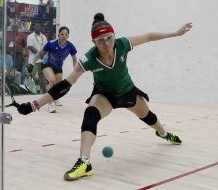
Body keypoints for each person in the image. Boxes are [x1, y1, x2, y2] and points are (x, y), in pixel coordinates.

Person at [16, 13, 192, 180]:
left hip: (128, 92)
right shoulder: (89, 59)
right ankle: (85, 163)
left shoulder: (122, 44)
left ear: (114, 35)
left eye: (109, 38)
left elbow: (148, 36)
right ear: (94, 41)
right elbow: (64, 85)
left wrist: (175, 33)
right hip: (104, 95)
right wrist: (34, 105)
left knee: (149, 117)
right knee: (90, 114)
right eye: (101, 40)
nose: (107, 43)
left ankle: (163, 133)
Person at [33, 26, 77, 113]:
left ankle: (55, 98)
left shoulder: (70, 46)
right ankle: (50, 104)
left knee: (58, 85)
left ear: (68, 36)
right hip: (47, 64)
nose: (64, 36)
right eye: (62, 34)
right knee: (52, 80)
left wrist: (76, 71)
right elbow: (41, 53)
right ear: (58, 35)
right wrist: (33, 62)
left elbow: (74, 59)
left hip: (58, 67)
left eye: (66, 35)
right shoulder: (51, 43)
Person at [27, 23, 48, 94]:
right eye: (36, 26)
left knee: (42, 76)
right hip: (33, 60)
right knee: (31, 75)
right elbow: (30, 47)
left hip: (42, 59)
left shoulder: (44, 37)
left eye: (39, 26)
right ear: (34, 27)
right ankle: (30, 91)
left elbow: (46, 48)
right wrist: (39, 54)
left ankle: (44, 92)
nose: (37, 27)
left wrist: (43, 54)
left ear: (41, 27)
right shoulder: (30, 36)